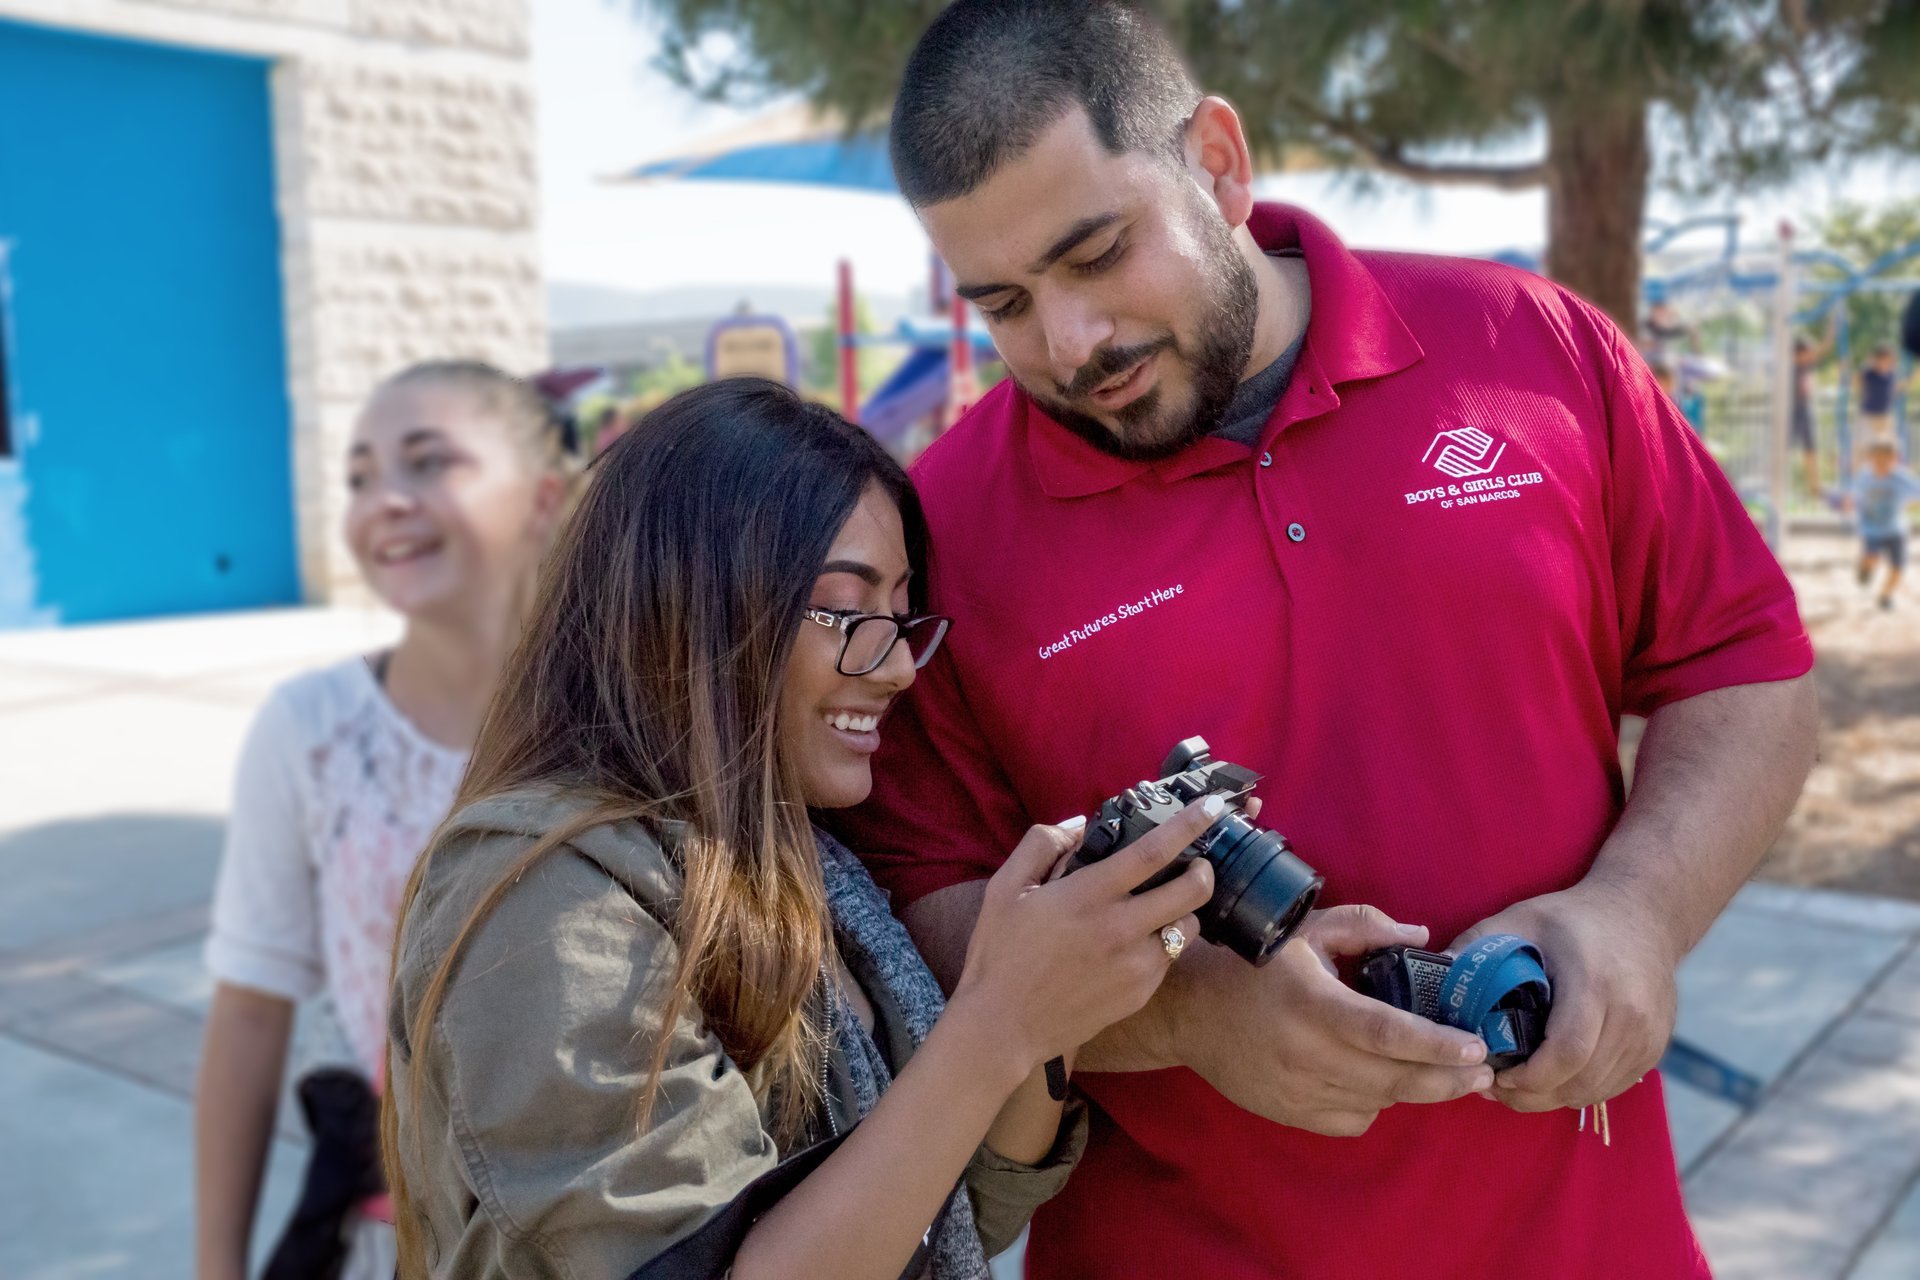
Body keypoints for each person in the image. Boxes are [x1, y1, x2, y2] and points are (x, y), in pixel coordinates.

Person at [832, 3, 1821, 1277]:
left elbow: (1743, 666)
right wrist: (1190, 1012)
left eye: (1100, 254)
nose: (1071, 344)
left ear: (1219, 163)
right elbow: (921, 908)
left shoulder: (1529, 346)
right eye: (1006, 303)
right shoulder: (946, 529)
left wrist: (1639, 908)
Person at [379, 378, 1216, 1279]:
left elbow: (955, 1211)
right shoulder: (547, 892)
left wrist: (1055, 991)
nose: (898, 668)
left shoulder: (808, 866)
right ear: (691, 606)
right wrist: (999, 1022)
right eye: (849, 612)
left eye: (900, 616)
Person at [193, 361, 577, 1280]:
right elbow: (249, 1013)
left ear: (543, 498)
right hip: (392, 1245)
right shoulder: (311, 731)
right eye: (361, 477)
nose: (385, 501)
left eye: (427, 462)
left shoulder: (625, 719)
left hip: (601, 1240)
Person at [1845, 438, 1920, 610]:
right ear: (1870, 459)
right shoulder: (1865, 477)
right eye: (1876, 461)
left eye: (1885, 461)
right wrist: (1849, 502)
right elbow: (1853, 493)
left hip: (1896, 531)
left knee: (1898, 566)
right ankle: (1865, 568)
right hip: (1872, 530)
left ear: (1895, 460)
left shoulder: (1901, 478)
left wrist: (1910, 503)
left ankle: (1885, 596)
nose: (1880, 465)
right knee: (1872, 558)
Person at [1793, 321, 1837, 498]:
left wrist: (1832, 325)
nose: (1811, 355)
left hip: (1804, 410)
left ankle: (1815, 487)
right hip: (1790, 412)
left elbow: (1825, 346)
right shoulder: (1789, 367)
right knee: (1784, 449)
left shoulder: (1807, 364)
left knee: (1810, 448)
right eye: (1807, 353)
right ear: (1798, 354)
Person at [1859, 343, 1901, 444]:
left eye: (1890, 360)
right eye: (1885, 359)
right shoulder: (1868, 373)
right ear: (1877, 359)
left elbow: (1893, 390)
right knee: (1866, 444)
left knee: (1892, 444)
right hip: (1869, 415)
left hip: (1885, 414)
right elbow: (1858, 382)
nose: (1889, 363)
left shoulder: (1891, 374)